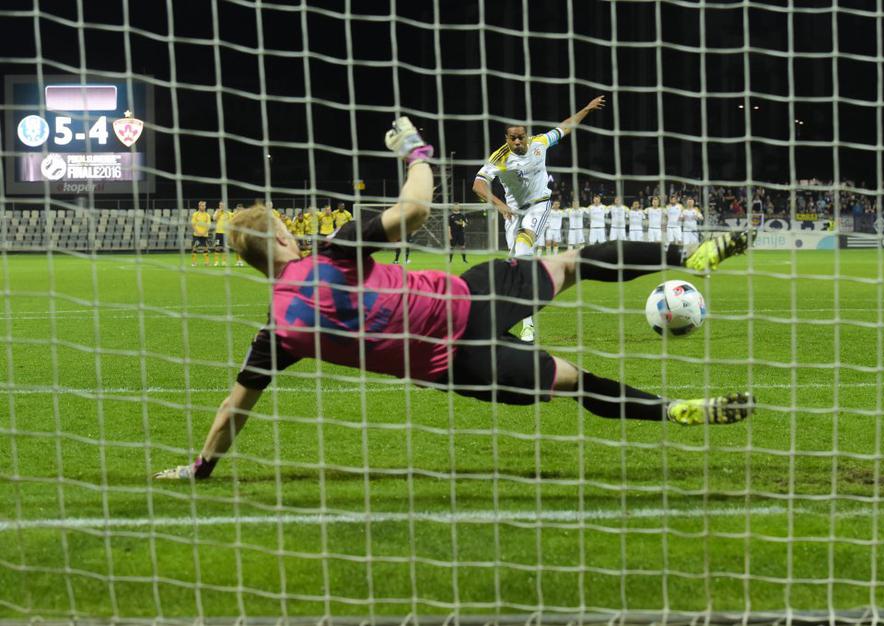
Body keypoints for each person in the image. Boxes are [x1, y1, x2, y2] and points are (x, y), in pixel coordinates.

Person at [154, 117, 754, 481]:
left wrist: (201, 466)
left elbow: (235, 407)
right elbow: (416, 209)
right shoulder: (334, 252)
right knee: (573, 263)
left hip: (458, 366)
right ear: (284, 238)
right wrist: (415, 151)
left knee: (576, 382)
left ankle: (673, 410)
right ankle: (686, 257)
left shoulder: (278, 331)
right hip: (474, 297)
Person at [472, 95, 606, 343]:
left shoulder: (539, 143)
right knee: (515, 267)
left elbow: (565, 127)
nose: (518, 142)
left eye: (521, 137)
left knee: (523, 250)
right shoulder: (500, 158)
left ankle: (528, 327)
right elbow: (478, 185)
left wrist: (586, 109)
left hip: (539, 205)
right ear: (506, 139)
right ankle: (509, 316)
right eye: (513, 138)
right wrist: (500, 205)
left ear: (527, 135)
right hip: (513, 213)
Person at [190, 201, 211, 267]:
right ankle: (194, 262)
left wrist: (204, 233)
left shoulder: (207, 215)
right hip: (196, 235)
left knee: (205, 248)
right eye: (202, 205)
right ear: (199, 206)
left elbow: (208, 225)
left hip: (204, 235)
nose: (203, 207)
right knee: (194, 248)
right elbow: (193, 224)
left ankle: (206, 262)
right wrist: (198, 232)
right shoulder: (195, 214)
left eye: (204, 205)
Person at [213, 201, 233, 266]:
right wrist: (218, 213)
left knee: (225, 248)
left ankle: (224, 262)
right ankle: (216, 262)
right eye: (220, 205)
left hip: (226, 233)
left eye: (222, 205)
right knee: (217, 247)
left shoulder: (228, 213)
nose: (221, 207)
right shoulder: (217, 212)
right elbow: (214, 218)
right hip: (218, 232)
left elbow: (231, 222)